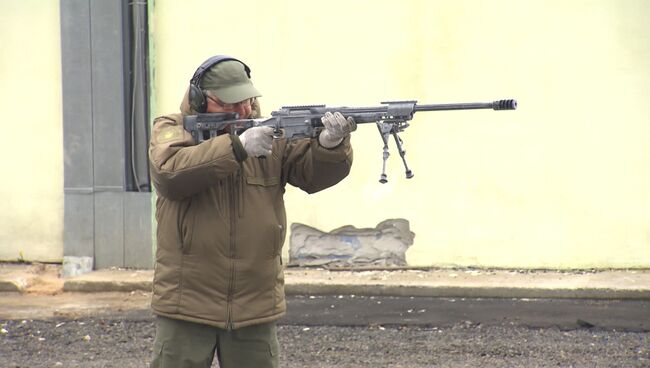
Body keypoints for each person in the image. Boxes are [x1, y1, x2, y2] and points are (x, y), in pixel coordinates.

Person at [147, 55, 356, 368]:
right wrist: (237, 147)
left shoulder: (268, 133)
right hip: (187, 300)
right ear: (199, 99)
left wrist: (329, 145)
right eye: (230, 103)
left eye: (247, 101)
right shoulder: (173, 129)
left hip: (254, 302)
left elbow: (311, 176)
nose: (243, 111)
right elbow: (170, 174)